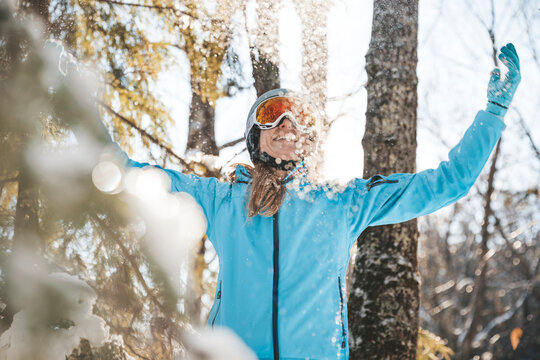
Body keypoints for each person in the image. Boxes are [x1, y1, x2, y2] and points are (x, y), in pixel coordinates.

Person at [113, 44, 520, 359]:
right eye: (272, 114)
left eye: (297, 118)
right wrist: (60, 98)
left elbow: (448, 183)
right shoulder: (221, 199)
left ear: (308, 140)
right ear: (257, 136)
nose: (286, 124)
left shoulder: (342, 202)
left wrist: (494, 110)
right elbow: (127, 173)